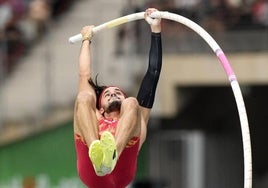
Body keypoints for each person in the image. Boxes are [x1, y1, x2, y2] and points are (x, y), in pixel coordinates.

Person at [73, 8, 162, 188]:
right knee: (83, 98)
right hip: (92, 173)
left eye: (117, 93)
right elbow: (84, 75)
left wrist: (156, 30)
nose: (113, 93)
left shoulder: (136, 118)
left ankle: (112, 154)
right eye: (107, 94)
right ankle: (96, 151)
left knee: (133, 102)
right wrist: (86, 40)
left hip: (120, 175)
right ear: (101, 108)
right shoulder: (95, 117)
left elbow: (152, 74)